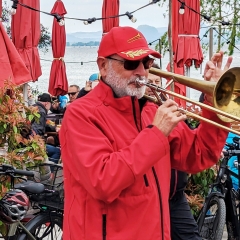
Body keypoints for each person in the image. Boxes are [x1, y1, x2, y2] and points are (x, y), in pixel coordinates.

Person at [59, 26, 230, 240]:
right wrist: (156, 133)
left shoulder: (151, 110)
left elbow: (199, 154)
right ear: (103, 66)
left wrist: (212, 101)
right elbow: (102, 181)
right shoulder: (80, 114)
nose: (141, 71)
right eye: (131, 63)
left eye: (146, 63)